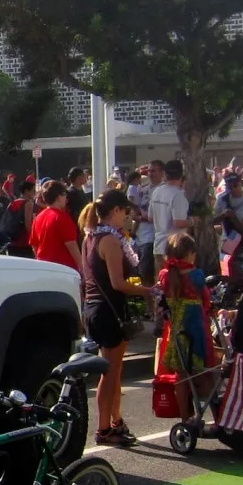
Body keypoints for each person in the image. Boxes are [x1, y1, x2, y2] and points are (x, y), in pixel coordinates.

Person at [81, 190, 154, 446]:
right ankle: (104, 429)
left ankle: (115, 421)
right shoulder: (109, 241)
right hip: (107, 309)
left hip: (96, 308)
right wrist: (148, 290)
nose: (127, 216)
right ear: (114, 212)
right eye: (124, 211)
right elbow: (118, 283)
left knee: (115, 370)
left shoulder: (90, 236)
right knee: (109, 374)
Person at [157, 233, 217, 420]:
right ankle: (218, 417)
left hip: (175, 333)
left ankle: (185, 417)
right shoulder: (196, 275)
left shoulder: (165, 276)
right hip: (196, 332)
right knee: (205, 373)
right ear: (190, 253)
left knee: (181, 376)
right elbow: (206, 302)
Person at [147, 160, 191, 284]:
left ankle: (159, 304)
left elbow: (150, 218)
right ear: (181, 175)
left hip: (158, 246)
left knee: (160, 285)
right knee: (175, 287)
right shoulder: (178, 195)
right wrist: (194, 220)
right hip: (174, 248)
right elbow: (178, 223)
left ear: (165, 174)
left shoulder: (157, 191)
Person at [30, 181, 82, 272]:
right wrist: (83, 267)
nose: (66, 198)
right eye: (64, 194)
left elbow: (34, 245)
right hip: (64, 270)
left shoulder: (38, 217)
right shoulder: (62, 217)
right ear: (58, 197)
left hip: (44, 268)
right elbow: (71, 245)